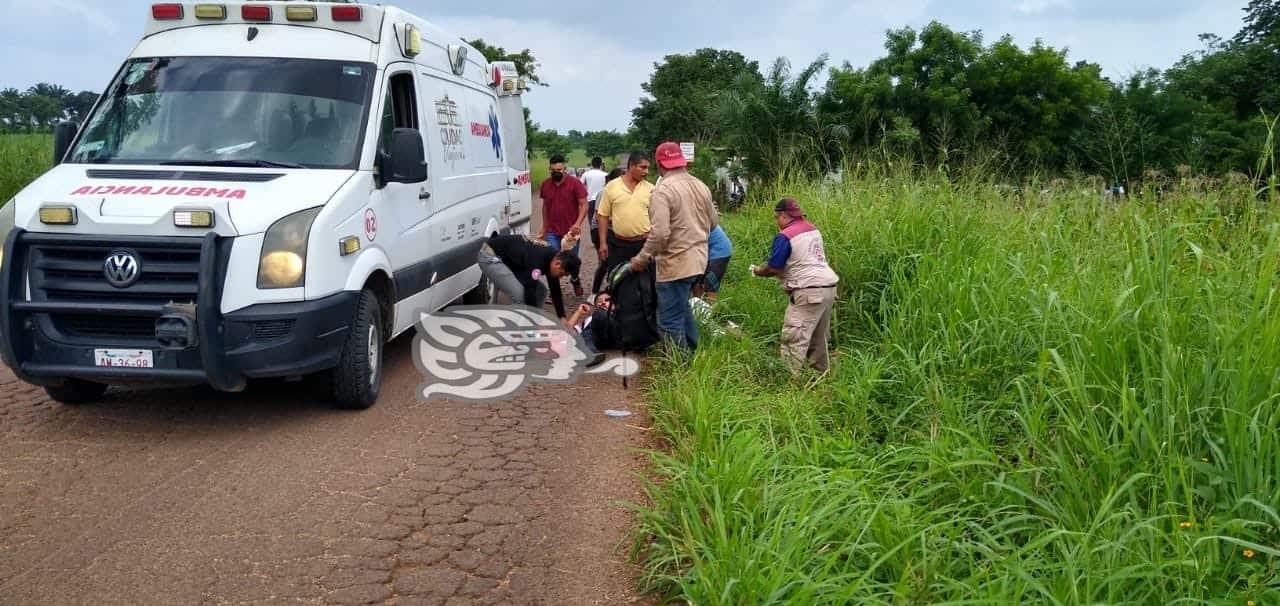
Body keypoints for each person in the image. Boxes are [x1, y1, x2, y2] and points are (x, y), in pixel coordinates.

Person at [629, 142, 718, 352]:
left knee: (669, 322)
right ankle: (694, 355)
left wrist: (640, 260)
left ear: (660, 164)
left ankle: (680, 370)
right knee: (683, 310)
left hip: (675, 263)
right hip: (698, 260)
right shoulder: (700, 185)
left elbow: (660, 234)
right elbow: (713, 223)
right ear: (681, 162)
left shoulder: (663, 190)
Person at [750, 198, 839, 374]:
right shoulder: (813, 229)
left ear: (784, 215)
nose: (777, 222)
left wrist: (758, 271)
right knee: (818, 337)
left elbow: (774, 267)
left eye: (777, 217)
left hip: (808, 291)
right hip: (828, 287)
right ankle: (819, 375)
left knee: (794, 336)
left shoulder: (786, 235)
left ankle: (788, 380)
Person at [477, 234, 582, 322]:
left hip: (511, 260)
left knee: (541, 291)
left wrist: (562, 317)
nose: (560, 277)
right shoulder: (537, 262)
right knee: (520, 296)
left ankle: (527, 327)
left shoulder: (554, 257)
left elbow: (555, 289)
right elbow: (530, 290)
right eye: (561, 274)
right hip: (490, 257)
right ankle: (511, 335)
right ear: (557, 264)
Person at [596, 151, 654, 288]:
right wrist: (603, 243)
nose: (646, 171)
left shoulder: (651, 189)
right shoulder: (612, 186)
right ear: (631, 166)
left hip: (643, 244)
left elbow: (657, 218)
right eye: (643, 167)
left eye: (647, 168)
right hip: (618, 244)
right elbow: (603, 215)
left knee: (645, 282)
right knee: (616, 280)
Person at [537, 154, 589, 297]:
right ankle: (555, 292)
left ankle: (575, 279)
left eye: (559, 169)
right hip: (553, 231)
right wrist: (544, 227)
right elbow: (545, 207)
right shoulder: (546, 185)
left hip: (570, 233)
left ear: (564, 169)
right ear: (549, 169)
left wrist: (578, 223)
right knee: (554, 261)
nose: (556, 172)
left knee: (572, 262)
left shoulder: (575, 183)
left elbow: (584, 204)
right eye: (553, 170)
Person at [695, 224, 733, 302]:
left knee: (710, 285)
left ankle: (712, 312)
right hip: (706, 252)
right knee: (697, 282)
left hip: (720, 252)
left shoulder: (695, 219)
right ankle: (697, 309)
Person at [581, 157, 609, 259]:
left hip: (590, 199)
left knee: (591, 219)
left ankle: (595, 238)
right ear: (601, 164)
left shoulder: (586, 174)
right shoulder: (605, 174)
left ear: (592, 164)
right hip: (602, 199)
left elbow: (580, 184)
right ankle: (603, 236)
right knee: (602, 218)